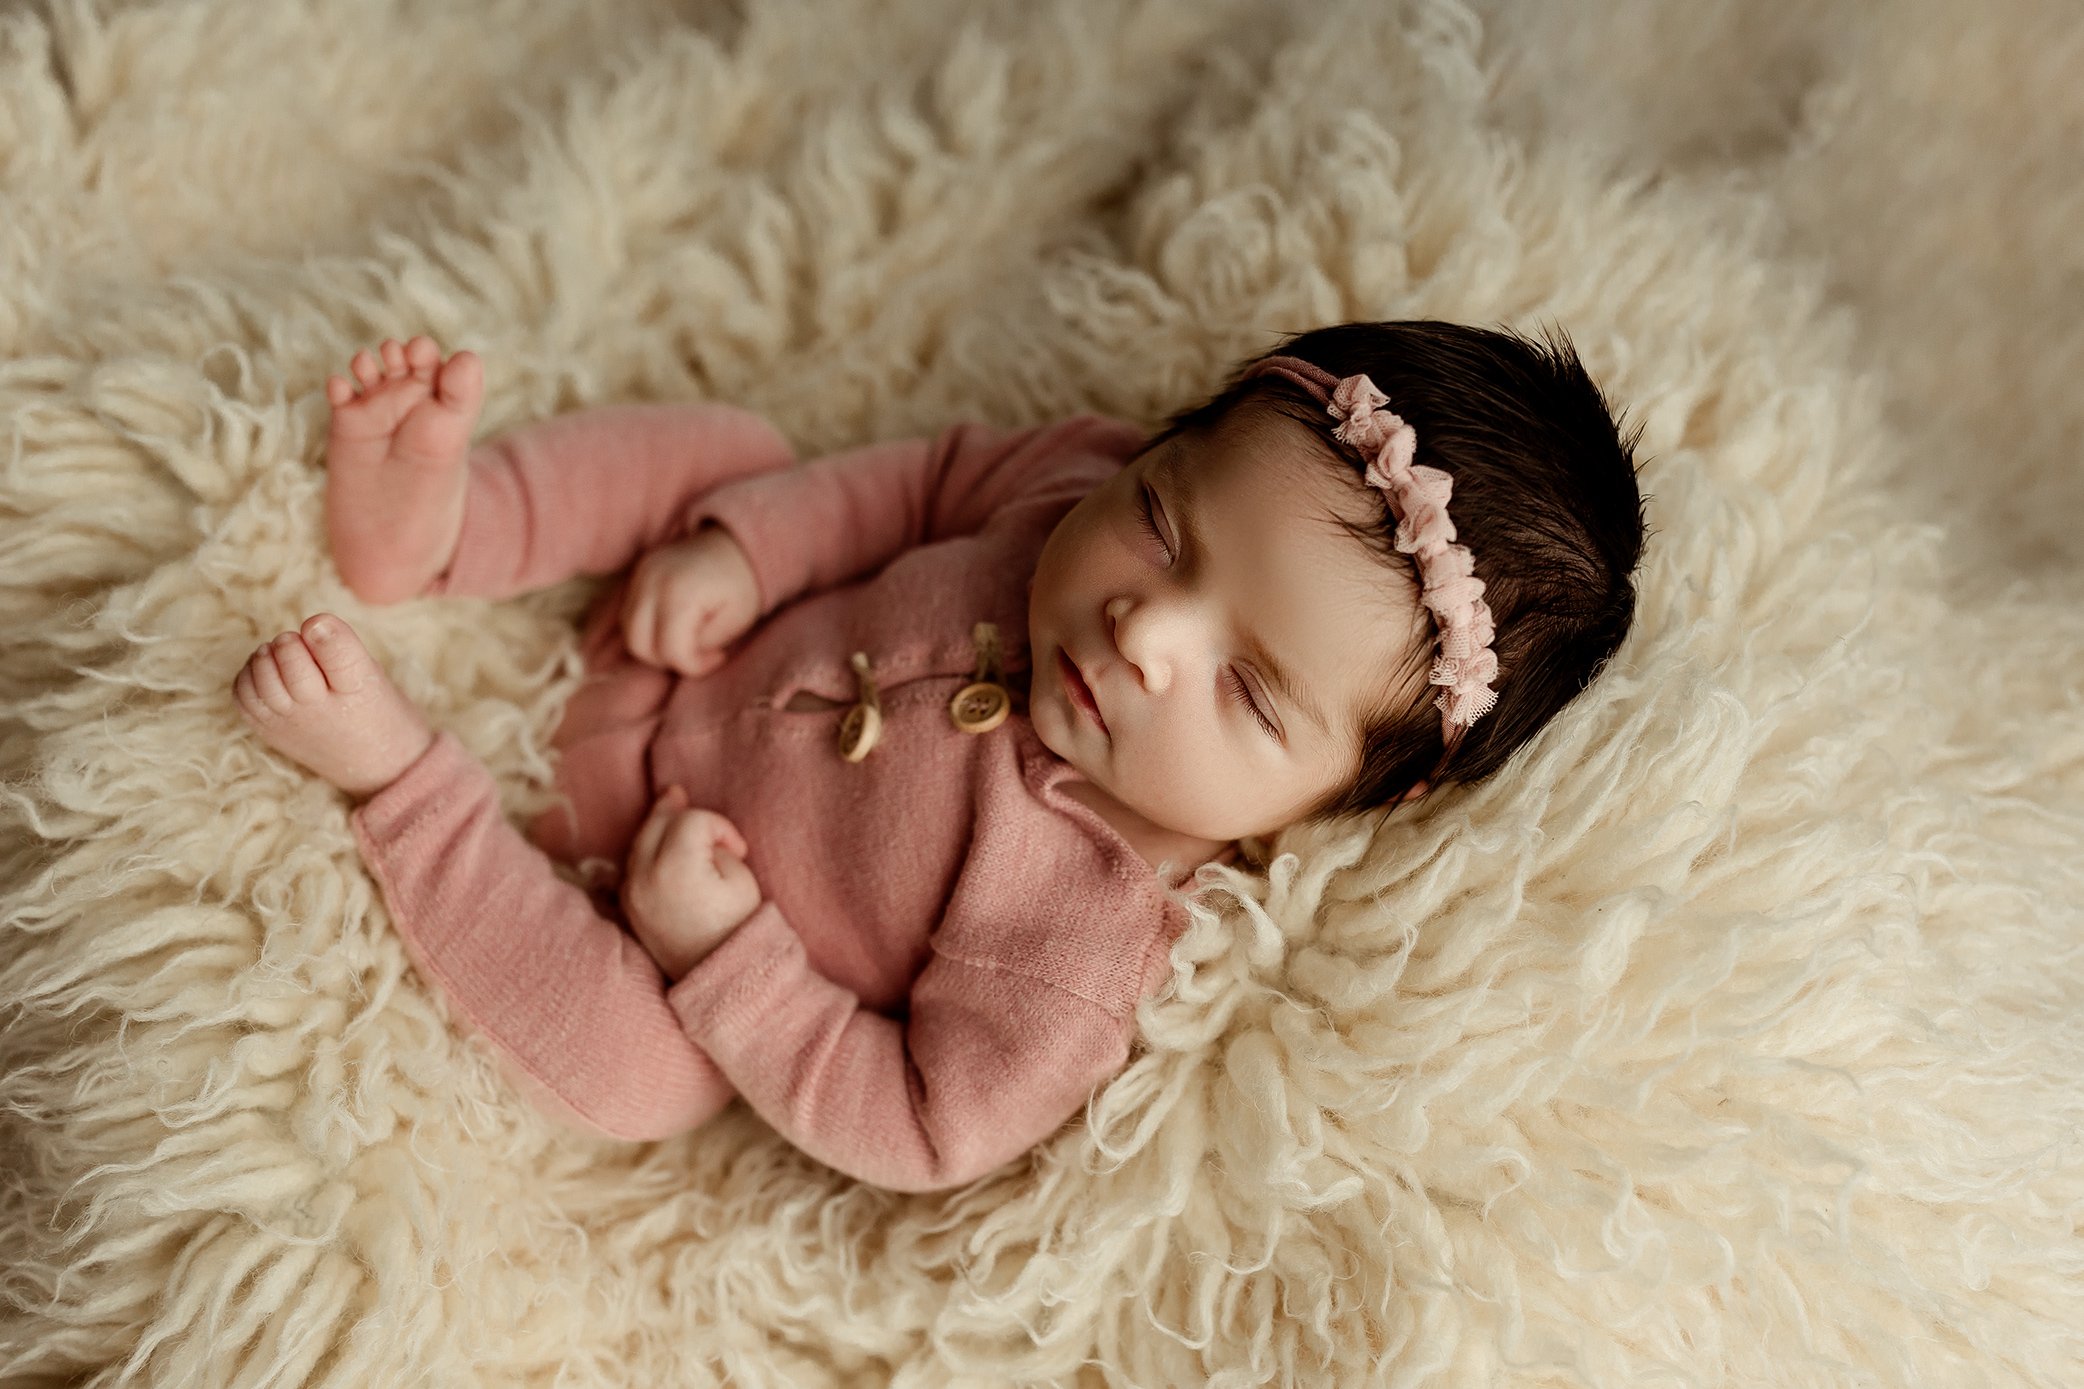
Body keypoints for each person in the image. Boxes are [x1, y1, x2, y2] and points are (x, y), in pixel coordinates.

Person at [229, 320, 1646, 1191]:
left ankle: (401, 782)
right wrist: (752, 543)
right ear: (1158, 450)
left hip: (625, 903)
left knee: (639, 1082)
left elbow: (923, 1125)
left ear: (1352, 793)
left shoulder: (1079, 930)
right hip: (674, 629)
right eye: (1163, 522)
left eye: (1252, 690)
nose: (1147, 625)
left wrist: (728, 960)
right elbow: (917, 481)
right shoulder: (1067, 483)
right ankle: (443, 527)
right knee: (733, 448)